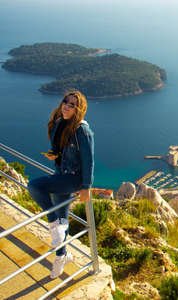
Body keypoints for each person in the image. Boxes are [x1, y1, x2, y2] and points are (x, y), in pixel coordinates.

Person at [28, 90, 94, 279]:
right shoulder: (59, 124)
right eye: (65, 101)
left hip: (73, 179)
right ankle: (61, 257)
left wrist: (86, 187)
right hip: (60, 175)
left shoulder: (82, 130)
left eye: (72, 104)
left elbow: (89, 160)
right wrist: (53, 155)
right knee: (62, 224)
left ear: (78, 109)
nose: (66, 105)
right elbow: (59, 150)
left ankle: (53, 223)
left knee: (34, 186)